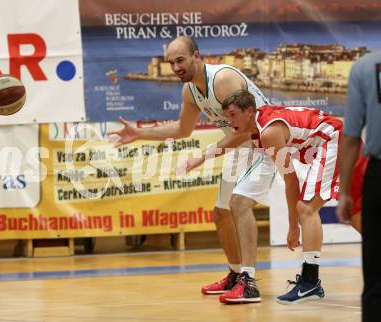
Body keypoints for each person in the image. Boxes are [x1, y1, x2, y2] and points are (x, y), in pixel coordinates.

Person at [108, 36, 276, 303]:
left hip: (264, 142)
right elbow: (182, 130)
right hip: (239, 145)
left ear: (197, 56)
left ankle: (249, 281)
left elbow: (248, 129)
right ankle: (234, 274)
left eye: (180, 60)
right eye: (170, 62)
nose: (175, 67)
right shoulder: (191, 91)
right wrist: (139, 133)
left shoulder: (222, 81)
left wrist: (204, 157)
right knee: (221, 214)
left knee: (239, 204)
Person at [191, 89, 367, 304]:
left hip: (334, 140)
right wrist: (199, 159)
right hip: (343, 138)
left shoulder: (269, 133)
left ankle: (310, 282)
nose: (229, 121)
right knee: (355, 212)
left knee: (307, 208)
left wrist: (293, 226)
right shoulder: (258, 123)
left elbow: (291, 181)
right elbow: (234, 139)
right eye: (226, 116)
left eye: (232, 115)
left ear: (248, 112)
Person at [337, 51, 381, 322]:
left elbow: (352, 135)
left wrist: (344, 192)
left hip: (378, 176)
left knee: (376, 274)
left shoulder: (365, 67)